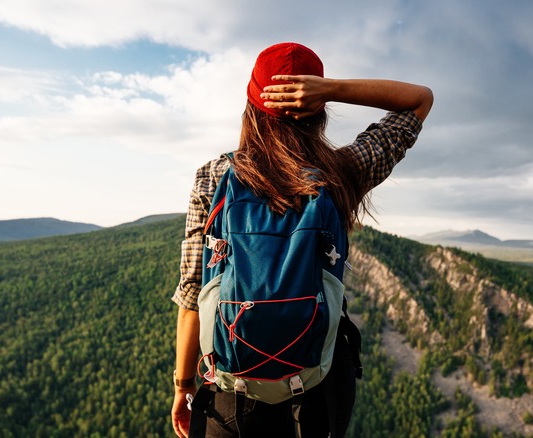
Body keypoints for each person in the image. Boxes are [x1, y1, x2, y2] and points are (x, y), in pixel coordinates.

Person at [171, 42, 433, 438]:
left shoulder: (213, 176)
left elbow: (193, 291)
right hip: (318, 383)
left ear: (251, 107)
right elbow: (419, 100)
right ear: (318, 110)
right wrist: (331, 89)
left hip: (230, 388)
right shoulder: (342, 172)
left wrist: (184, 385)